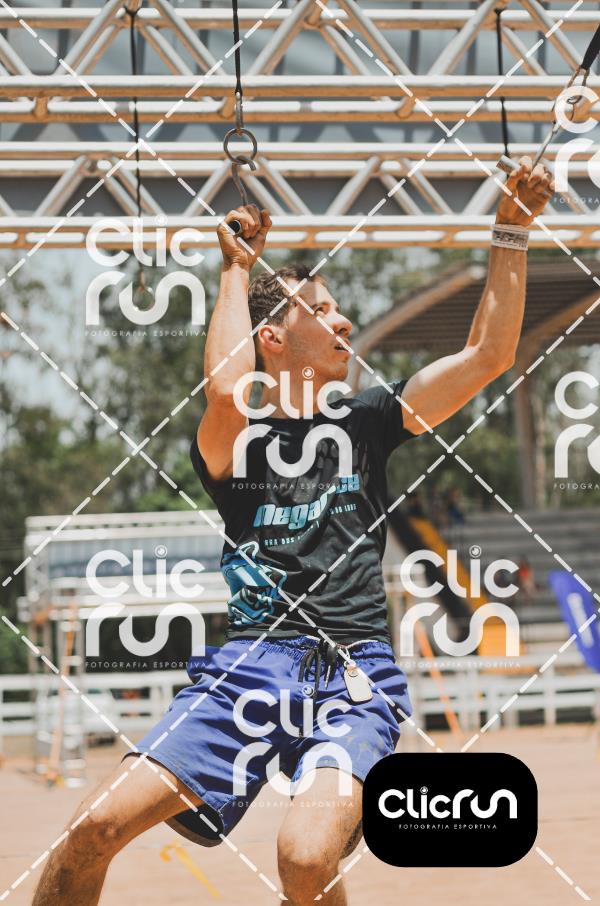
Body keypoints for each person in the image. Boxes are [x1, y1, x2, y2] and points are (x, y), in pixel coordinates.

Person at [33, 156, 554, 906]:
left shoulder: (369, 421)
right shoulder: (235, 440)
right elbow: (224, 387)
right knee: (92, 827)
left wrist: (512, 230)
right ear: (272, 338)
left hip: (353, 673)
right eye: (323, 309)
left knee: (305, 861)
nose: (345, 322)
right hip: (249, 664)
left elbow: (488, 355)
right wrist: (235, 268)